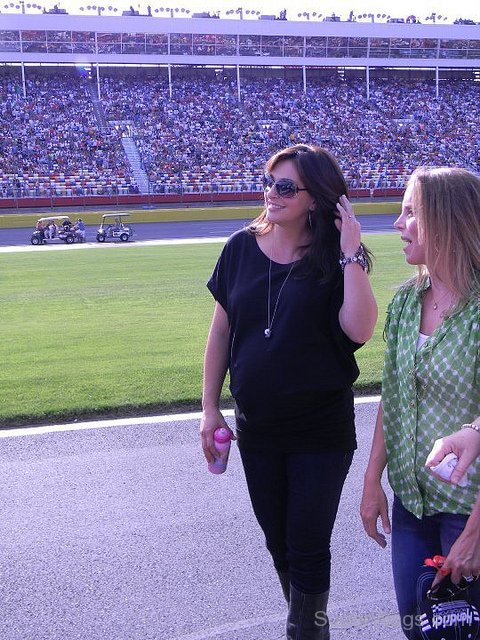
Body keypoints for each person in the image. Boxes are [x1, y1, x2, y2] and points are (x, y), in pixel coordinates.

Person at [201, 143, 377, 639]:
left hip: (320, 430)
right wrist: (209, 408)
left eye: (285, 187)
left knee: (306, 544)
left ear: (316, 199)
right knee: (277, 542)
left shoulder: (334, 258)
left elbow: (360, 330)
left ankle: (306, 631)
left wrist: (351, 254)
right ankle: (307, 624)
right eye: (268, 183)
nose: (271, 194)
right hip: (257, 430)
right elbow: (220, 331)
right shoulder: (239, 248)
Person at [360, 166, 480, 639]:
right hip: (412, 507)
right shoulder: (407, 303)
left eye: (410, 211)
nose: (397, 223)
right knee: (419, 630)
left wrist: (475, 532)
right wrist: (372, 482)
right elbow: (393, 397)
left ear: (446, 220)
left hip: (467, 511)